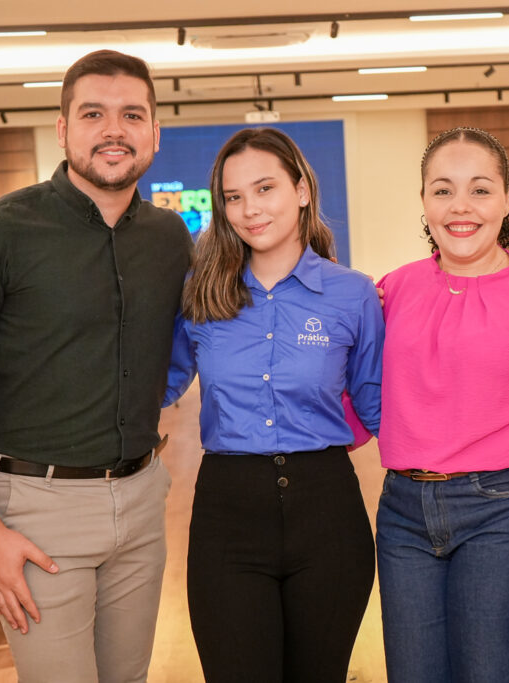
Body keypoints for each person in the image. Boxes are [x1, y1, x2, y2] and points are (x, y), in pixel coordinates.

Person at [0, 50, 192, 682]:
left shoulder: (170, 240)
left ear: (154, 133)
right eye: (94, 113)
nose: (114, 130)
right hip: (35, 511)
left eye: (132, 115)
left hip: (143, 501)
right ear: (63, 129)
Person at [375, 127, 509, 683]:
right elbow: (359, 392)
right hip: (402, 514)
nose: (461, 208)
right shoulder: (393, 290)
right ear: (424, 201)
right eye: (442, 190)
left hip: (500, 514)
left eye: (480, 189)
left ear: (507, 196)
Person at [164, 127, 383, 683]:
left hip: (327, 512)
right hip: (227, 514)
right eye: (233, 197)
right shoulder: (199, 293)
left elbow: (378, 403)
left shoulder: (353, 294)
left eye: (264, 189)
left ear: (303, 189)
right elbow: (154, 387)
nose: (248, 210)